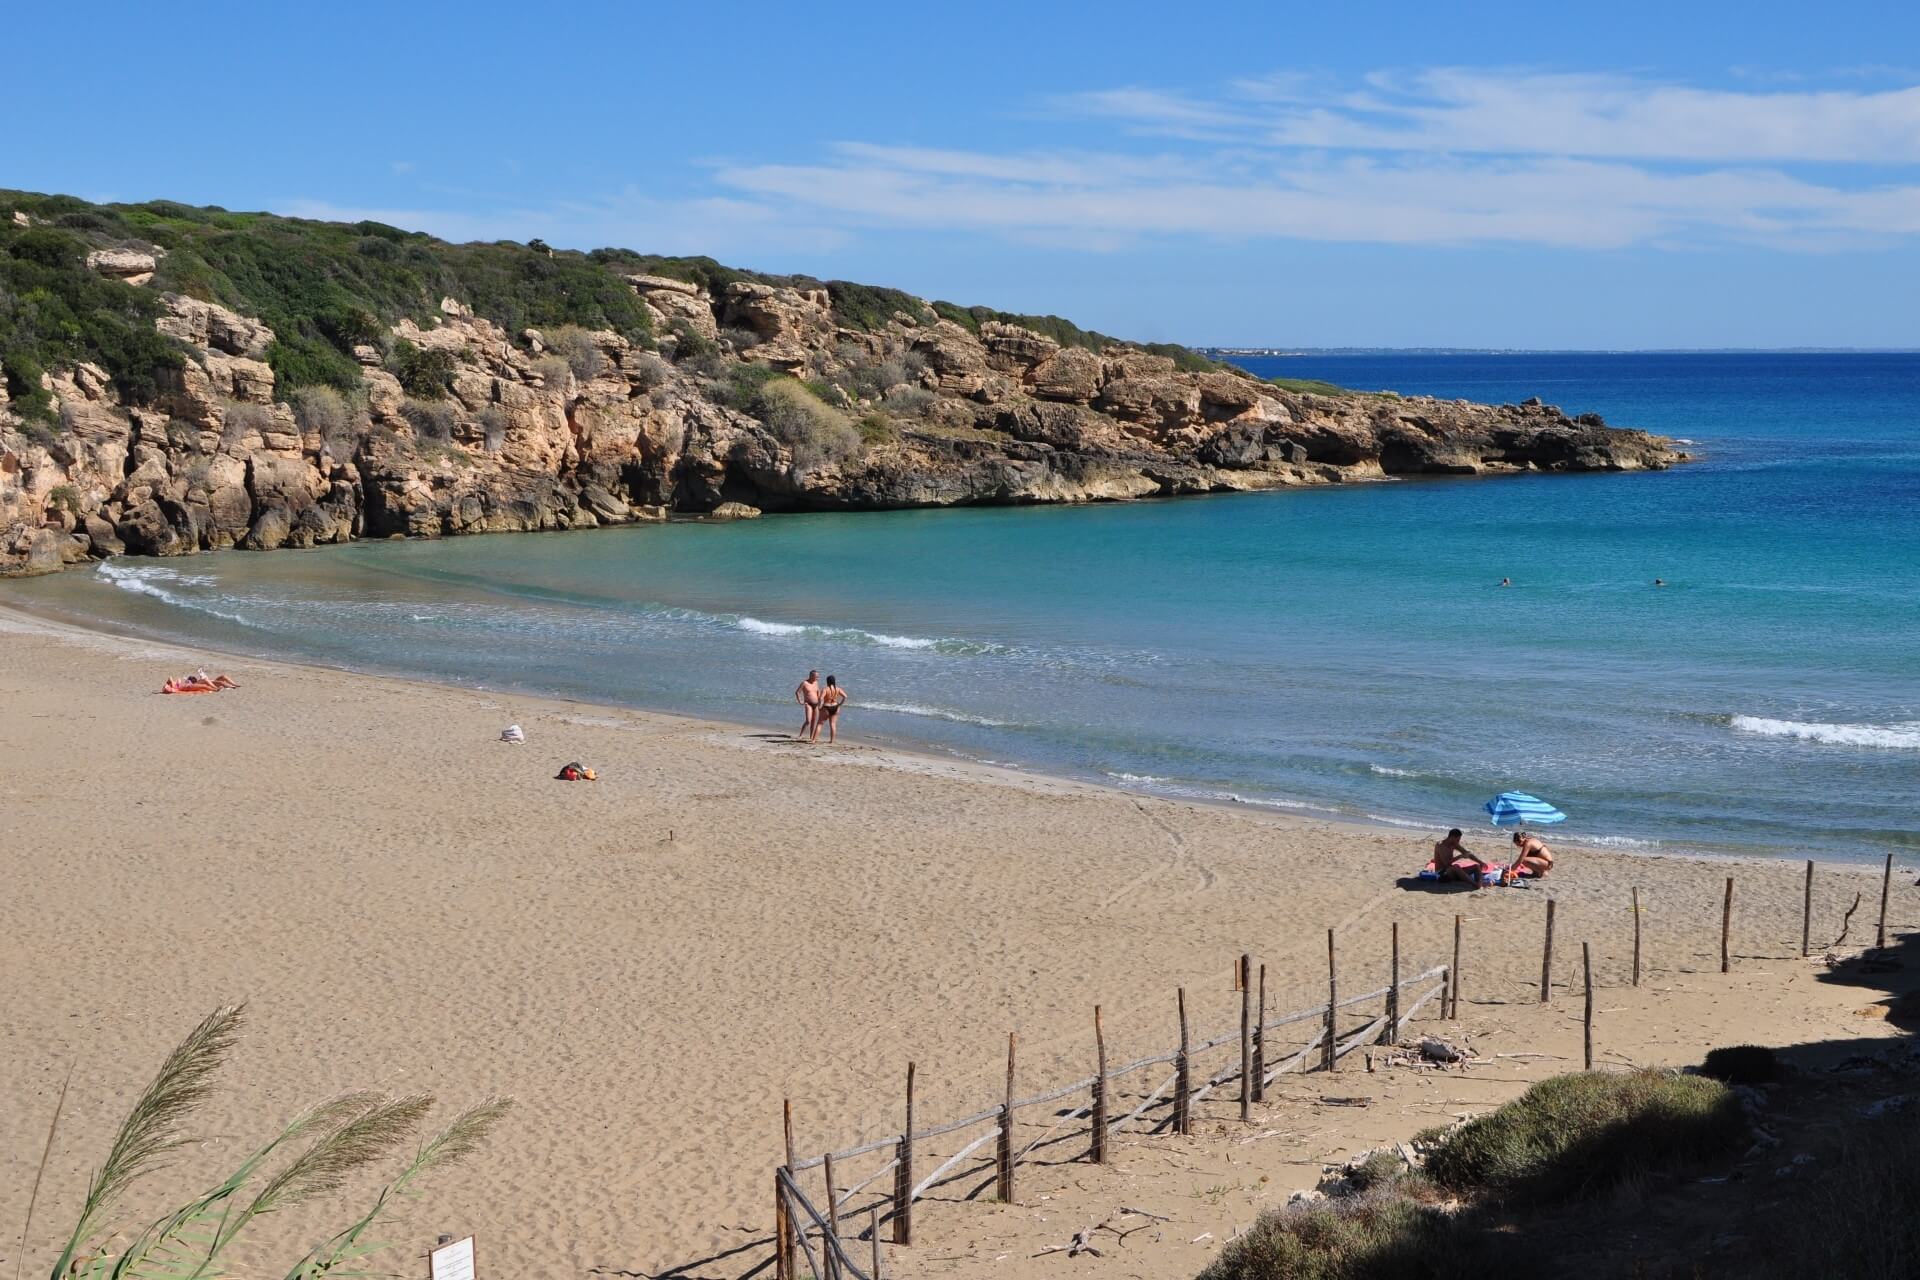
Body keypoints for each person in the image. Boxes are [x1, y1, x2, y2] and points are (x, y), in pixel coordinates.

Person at [811, 675, 848, 744]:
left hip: (826, 707)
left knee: (820, 724)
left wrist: (820, 706)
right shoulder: (838, 689)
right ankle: (832, 740)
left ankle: (814, 740)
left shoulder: (825, 689)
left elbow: (821, 698)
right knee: (833, 724)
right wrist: (840, 704)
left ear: (827, 681)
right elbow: (845, 696)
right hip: (835, 706)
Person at [795, 670, 822, 740]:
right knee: (808, 721)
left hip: (816, 704)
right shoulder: (804, 683)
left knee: (814, 721)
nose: (817, 678)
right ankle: (800, 735)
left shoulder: (816, 683)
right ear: (811, 676)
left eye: (818, 677)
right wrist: (800, 701)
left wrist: (820, 702)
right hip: (808, 704)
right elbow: (797, 692)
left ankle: (811, 737)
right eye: (816, 677)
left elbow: (818, 692)